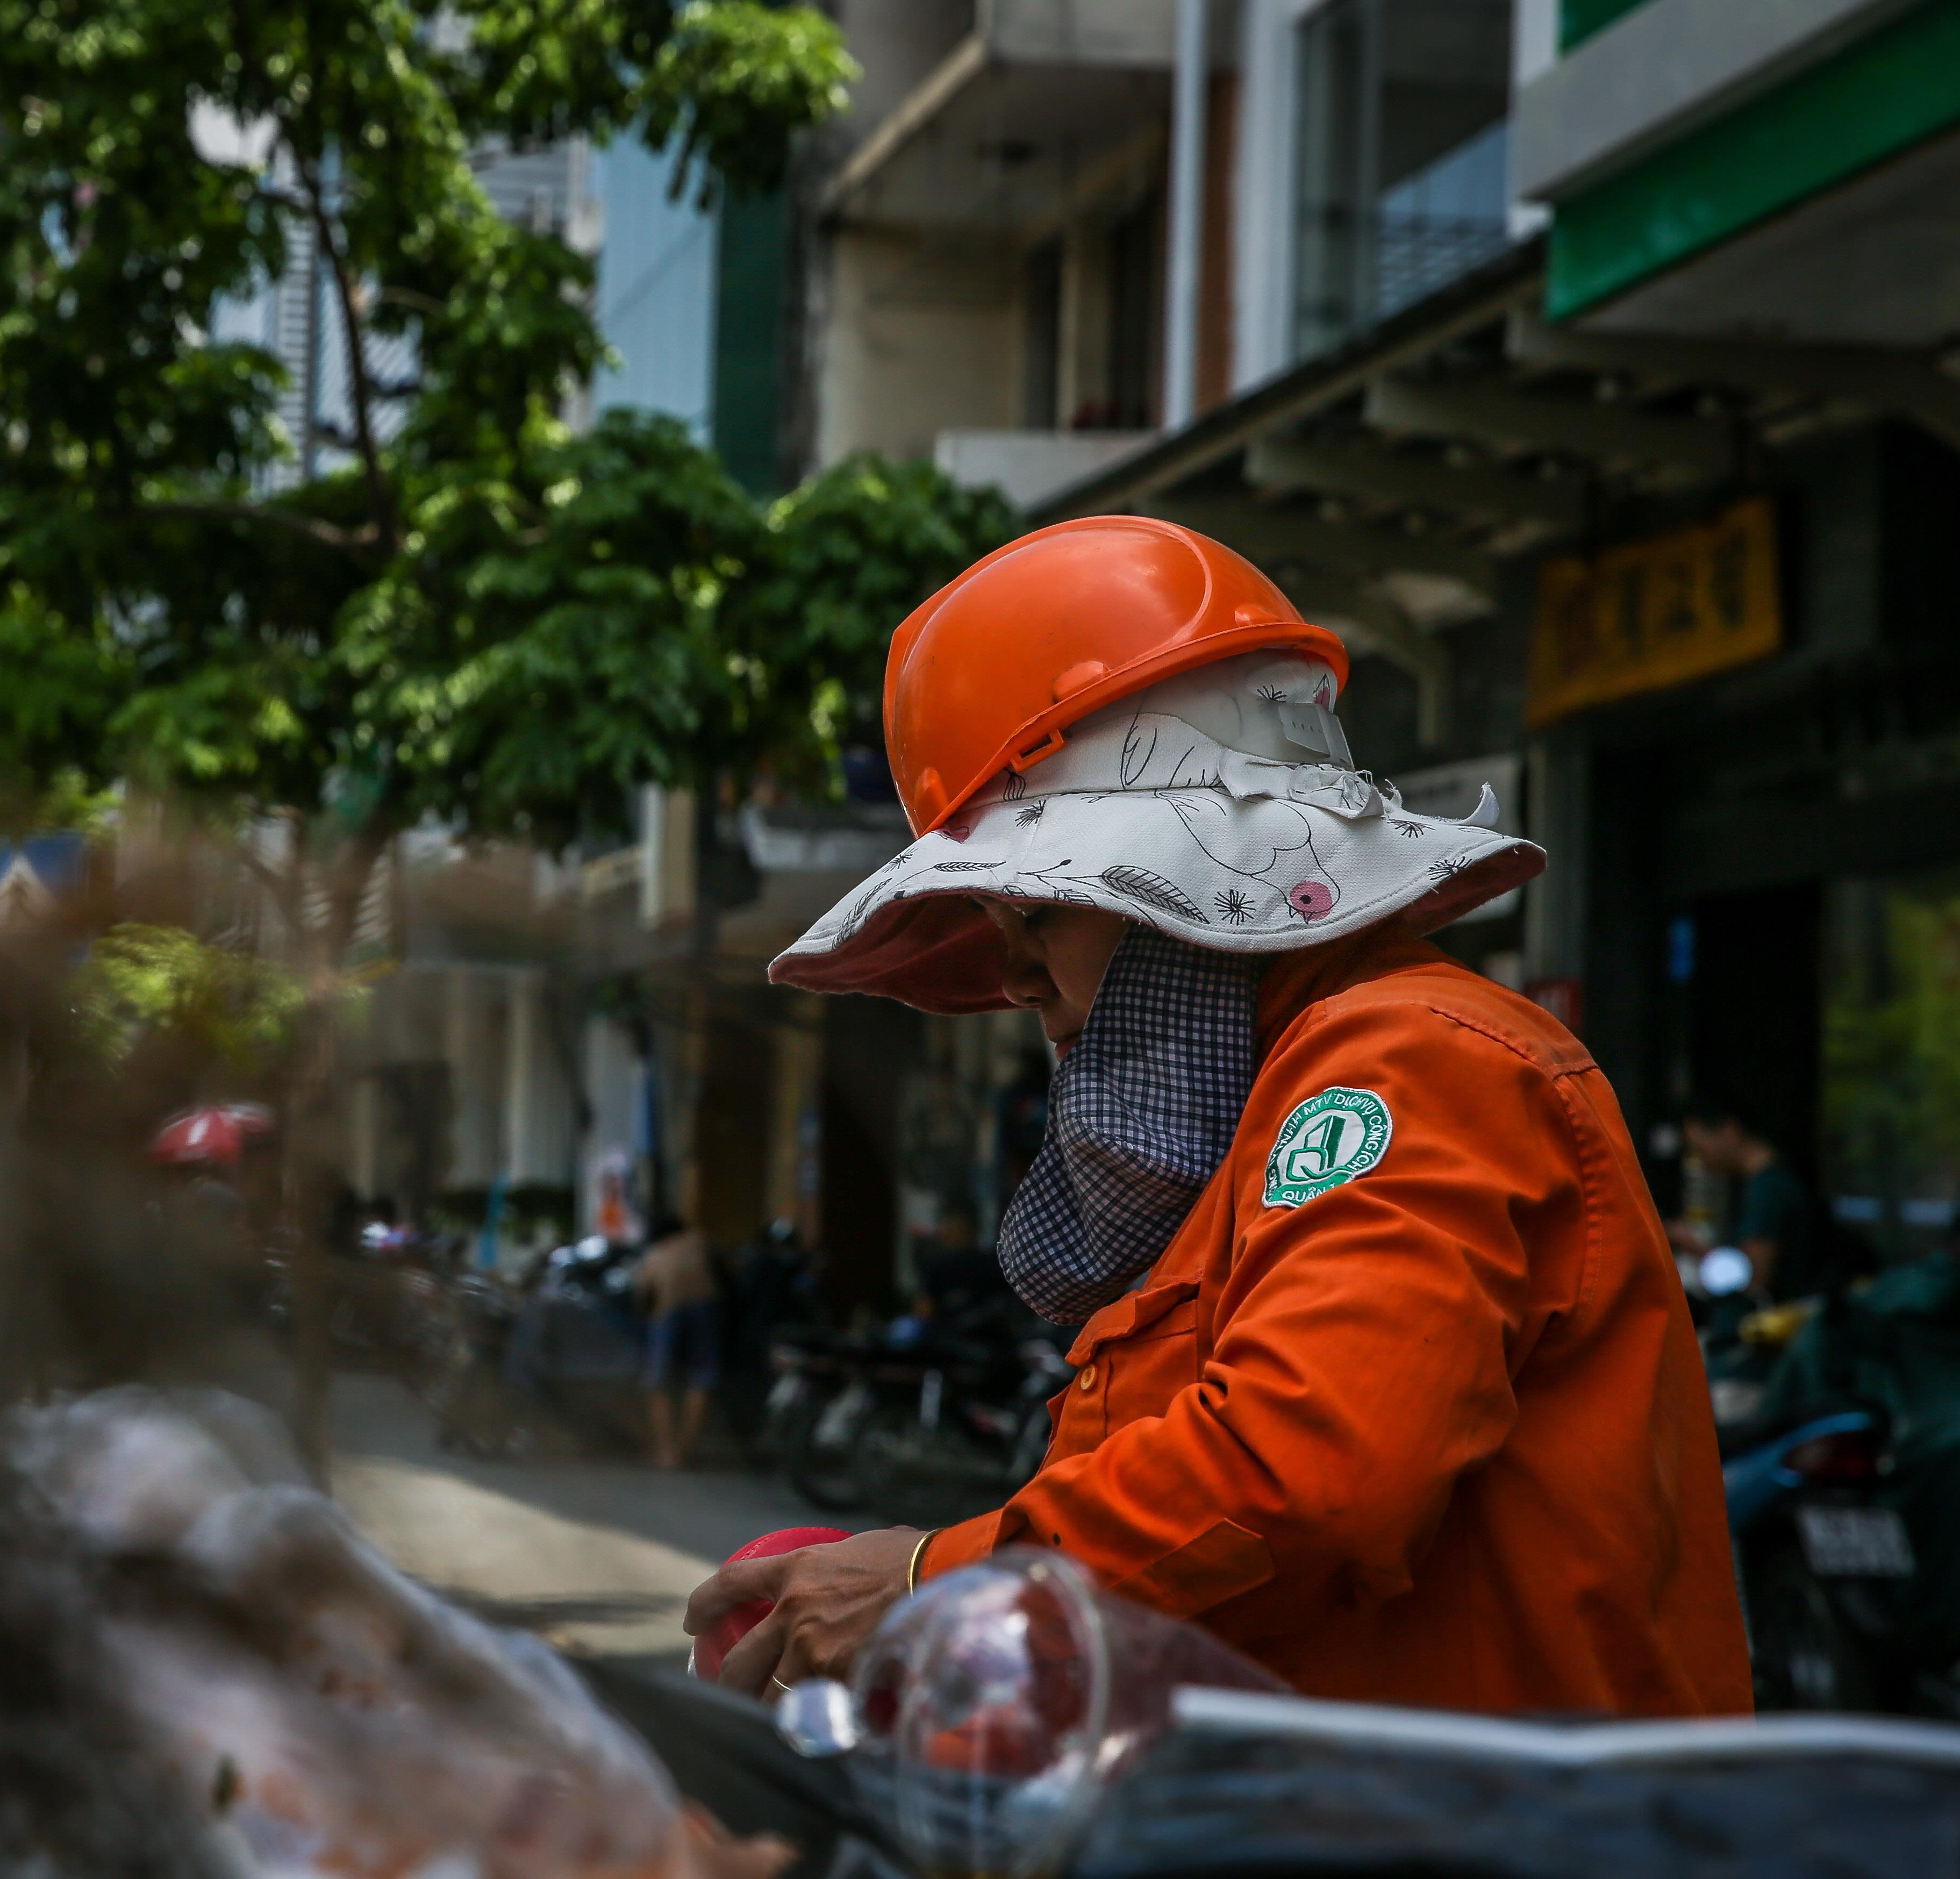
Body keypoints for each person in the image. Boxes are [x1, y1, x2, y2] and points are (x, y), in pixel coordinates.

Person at [683, 516, 1748, 1717]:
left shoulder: (1404, 1060)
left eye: (1034, 915)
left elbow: (1307, 1475)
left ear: (1188, 892)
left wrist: (931, 1579)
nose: (1016, 979)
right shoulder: (1277, 1102)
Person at [1680, 1096, 1831, 1299]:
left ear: (1729, 1131)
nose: (1702, 1160)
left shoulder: (1768, 1188)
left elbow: (1754, 1279)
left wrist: (1695, 1247)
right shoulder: (1763, 1183)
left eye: (1700, 1148)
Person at [634, 1211, 721, 1469]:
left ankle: (667, 1451)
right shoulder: (700, 1242)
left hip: (668, 1308)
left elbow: (642, 1296)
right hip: (707, 1306)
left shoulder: (656, 1253)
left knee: (657, 1381)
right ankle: (685, 1449)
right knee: (702, 1378)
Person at [911, 1197, 1002, 1324]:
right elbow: (925, 1309)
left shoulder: (990, 1264)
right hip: (945, 1333)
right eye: (949, 1227)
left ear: (971, 1231)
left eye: (958, 1229)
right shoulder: (936, 1266)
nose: (951, 1233)